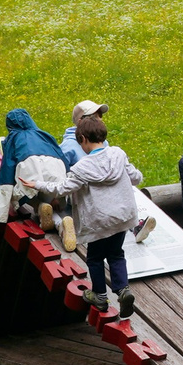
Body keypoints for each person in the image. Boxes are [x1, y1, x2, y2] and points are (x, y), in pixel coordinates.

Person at [29, 113, 148, 316]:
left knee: (94, 258)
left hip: (99, 221)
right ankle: (123, 289)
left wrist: (37, 184)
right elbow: (136, 178)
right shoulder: (118, 154)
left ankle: (100, 296)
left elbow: (62, 188)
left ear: (83, 139)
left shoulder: (82, 168)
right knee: (116, 254)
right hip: (121, 218)